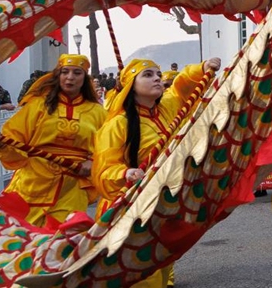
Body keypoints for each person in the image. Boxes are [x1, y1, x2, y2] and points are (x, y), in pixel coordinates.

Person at [92, 56, 220, 288]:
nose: (157, 80)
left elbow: (182, 85)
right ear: (132, 84)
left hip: (163, 205)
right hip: (130, 210)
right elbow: (103, 171)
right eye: (148, 75)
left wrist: (201, 68)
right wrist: (125, 174)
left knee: (159, 270)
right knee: (143, 278)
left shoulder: (167, 108)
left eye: (159, 75)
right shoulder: (117, 125)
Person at [0, 54, 106, 228]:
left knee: (63, 243)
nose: (70, 77)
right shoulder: (38, 105)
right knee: (22, 240)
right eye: (65, 72)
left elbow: (108, 147)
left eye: (77, 72)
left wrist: (92, 162)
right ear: (58, 75)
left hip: (71, 188)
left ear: (85, 78)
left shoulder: (97, 112)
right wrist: (0, 142)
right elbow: (14, 139)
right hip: (32, 183)